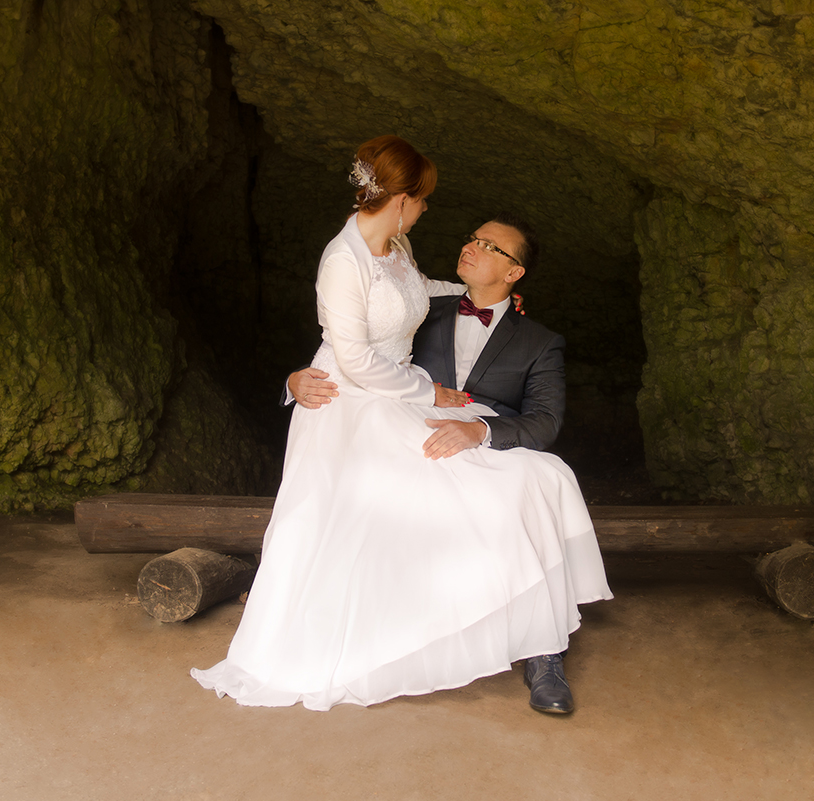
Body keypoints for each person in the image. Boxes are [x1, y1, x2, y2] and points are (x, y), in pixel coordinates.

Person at [192, 135, 611, 713]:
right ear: (403, 199)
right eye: (424, 199)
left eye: (488, 245)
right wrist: (420, 390)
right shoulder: (342, 259)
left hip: (399, 400)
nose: (432, 213)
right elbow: (352, 357)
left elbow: (415, 292)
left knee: (527, 479)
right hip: (356, 399)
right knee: (366, 519)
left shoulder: (400, 247)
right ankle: (393, 634)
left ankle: (540, 645)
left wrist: (476, 296)